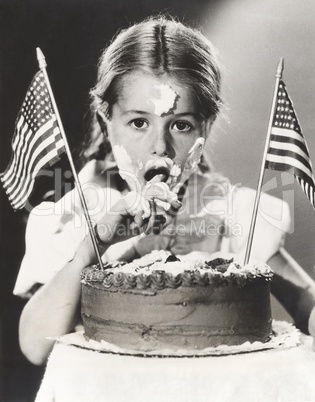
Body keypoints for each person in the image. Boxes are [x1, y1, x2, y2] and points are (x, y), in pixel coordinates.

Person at [13, 16, 315, 366]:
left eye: (181, 125)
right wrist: (91, 248)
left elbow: (304, 301)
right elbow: (35, 346)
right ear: (105, 121)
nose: (161, 146)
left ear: (207, 127)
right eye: (139, 123)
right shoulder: (74, 216)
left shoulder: (229, 212)